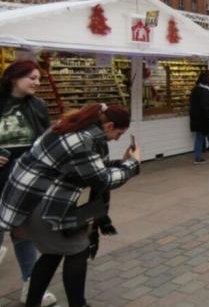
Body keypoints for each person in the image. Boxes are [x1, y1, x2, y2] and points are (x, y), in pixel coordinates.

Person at [0, 103, 140, 307]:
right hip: (41, 204)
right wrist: (133, 164)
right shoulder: (82, 141)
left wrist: (121, 162)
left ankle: (33, 303)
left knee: (52, 253)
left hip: (31, 200)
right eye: (119, 133)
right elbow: (102, 180)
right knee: (78, 249)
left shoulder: (71, 127)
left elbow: (89, 169)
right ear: (109, 126)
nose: (117, 138)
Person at [0, 60, 57, 307]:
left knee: (24, 233)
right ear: (15, 77)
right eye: (32, 78)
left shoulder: (39, 105)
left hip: (26, 175)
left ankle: (31, 287)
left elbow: (46, 138)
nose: (37, 82)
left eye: (38, 79)